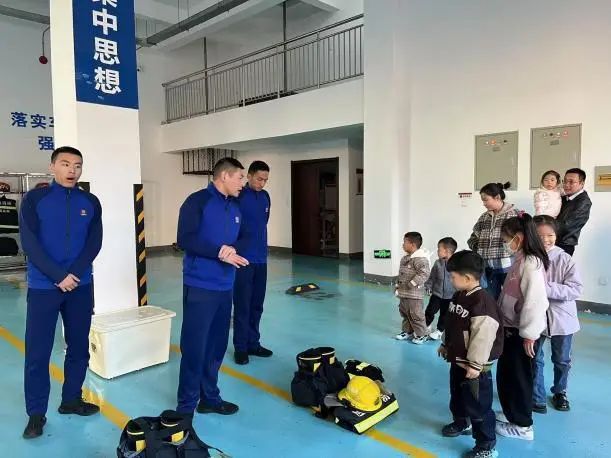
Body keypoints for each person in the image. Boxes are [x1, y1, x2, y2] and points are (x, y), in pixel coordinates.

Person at [19, 146, 103, 439]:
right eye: (65, 164)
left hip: (80, 286)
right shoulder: (35, 200)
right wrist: (58, 276)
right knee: (38, 351)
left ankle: (71, 400)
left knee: (78, 346)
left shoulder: (90, 201)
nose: (72, 170)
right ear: (52, 167)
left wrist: (74, 274)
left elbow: (94, 242)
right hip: (44, 287)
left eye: (77, 165)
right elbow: (29, 243)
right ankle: (36, 414)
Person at [176, 158, 249, 417]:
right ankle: (185, 407)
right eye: (240, 177)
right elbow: (185, 239)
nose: (243, 183)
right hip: (200, 285)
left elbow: (243, 237)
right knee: (195, 347)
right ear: (225, 176)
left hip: (225, 285)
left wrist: (233, 250)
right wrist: (219, 251)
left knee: (217, 346)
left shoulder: (236, 206)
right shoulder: (197, 202)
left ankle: (210, 397)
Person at [438, 250, 503, 458]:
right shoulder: (459, 296)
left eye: (452, 276)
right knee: (457, 396)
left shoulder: (482, 303)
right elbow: (451, 323)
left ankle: (486, 445)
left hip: (476, 369)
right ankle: (461, 422)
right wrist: (446, 344)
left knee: (478, 406)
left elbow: (482, 339)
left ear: (466, 278)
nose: (450, 280)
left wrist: (475, 365)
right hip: (457, 361)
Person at [495, 213, 549, 441]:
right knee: (507, 374)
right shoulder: (520, 259)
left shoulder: (531, 263)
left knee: (519, 378)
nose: (505, 244)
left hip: (521, 333)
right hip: (510, 328)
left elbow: (536, 302)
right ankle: (512, 413)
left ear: (518, 238)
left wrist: (529, 334)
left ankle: (523, 425)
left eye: (506, 239)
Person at [532, 215, 583, 414]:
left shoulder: (564, 259)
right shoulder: (529, 258)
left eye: (550, 235)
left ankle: (560, 392)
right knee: (534, 358)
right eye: (540, 236)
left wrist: (545, 289)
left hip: (562, 319)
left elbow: (575, 289)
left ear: (556, 235)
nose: (546, 240)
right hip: (535, 317)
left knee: (562, 360)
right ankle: (537, 396)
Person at [232, 161, 272, 365]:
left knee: (257, 305)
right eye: (259, 179)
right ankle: (240, 347)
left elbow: (262, 223)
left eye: (265, 180)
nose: (262, 183)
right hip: (242, 260)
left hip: (261, 259)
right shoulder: (238, 196)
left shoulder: (265, 197)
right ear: (248, 176)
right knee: (243, 305)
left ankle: (253, 343)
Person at [467, 182, 518, 300]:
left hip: (508, 267)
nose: (484, 204)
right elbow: (472, 238)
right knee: (490, 300)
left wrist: (510, 249)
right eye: (482, 201)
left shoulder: (514, 215)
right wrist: (477, 247)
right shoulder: (484, 217)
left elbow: (521, 240)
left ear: (497, 197)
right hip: (487, 268)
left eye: (486, 200)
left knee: (509, 299)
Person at [394, 232, 431, 345]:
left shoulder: (420, 259)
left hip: (414, 295)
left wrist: (412, 283)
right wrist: (398, 286)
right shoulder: (405, 258)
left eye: (405, 242)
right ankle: (407, 331)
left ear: (413, 244)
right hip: (403, 293)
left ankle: (422, 334)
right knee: (405, 313)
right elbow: (401, 275)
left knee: (416, 315)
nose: (403, 244)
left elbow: (424, 274)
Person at [425, 237, 458, 341]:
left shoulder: (457, 265)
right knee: (430, 311)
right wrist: (428, 286)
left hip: (450, 296)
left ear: (447, 251)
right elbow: (432, 277)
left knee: (445, 314)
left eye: (439, 249)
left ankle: (439, 331)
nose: (437, 251)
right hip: (437, 294)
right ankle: (426, 325)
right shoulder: (437, 263)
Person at [555, 168, 592, 256]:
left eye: (571, 182)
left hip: (564, 244)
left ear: (581, 183)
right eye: (565, 181)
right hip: (553, 241)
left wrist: (543, 228)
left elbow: (567, 226)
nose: (566, 185)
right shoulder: (565, 197)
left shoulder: (584, 202)